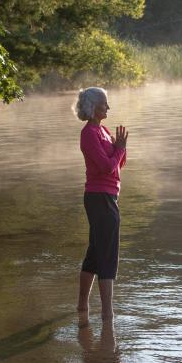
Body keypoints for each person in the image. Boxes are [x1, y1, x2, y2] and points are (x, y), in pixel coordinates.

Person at [73, 87, 128, 323]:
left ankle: (82, 307)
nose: (108, 107)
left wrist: (120, 149)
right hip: (99, 198)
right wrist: (119, 150)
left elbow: (117, 165)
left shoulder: (103, 130)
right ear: (93, 107)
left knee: (96, 253)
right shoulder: (89, 134)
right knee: (108, 255)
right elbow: (106, 167)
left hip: (107, 197)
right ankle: (108, 314)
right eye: (105, 104)